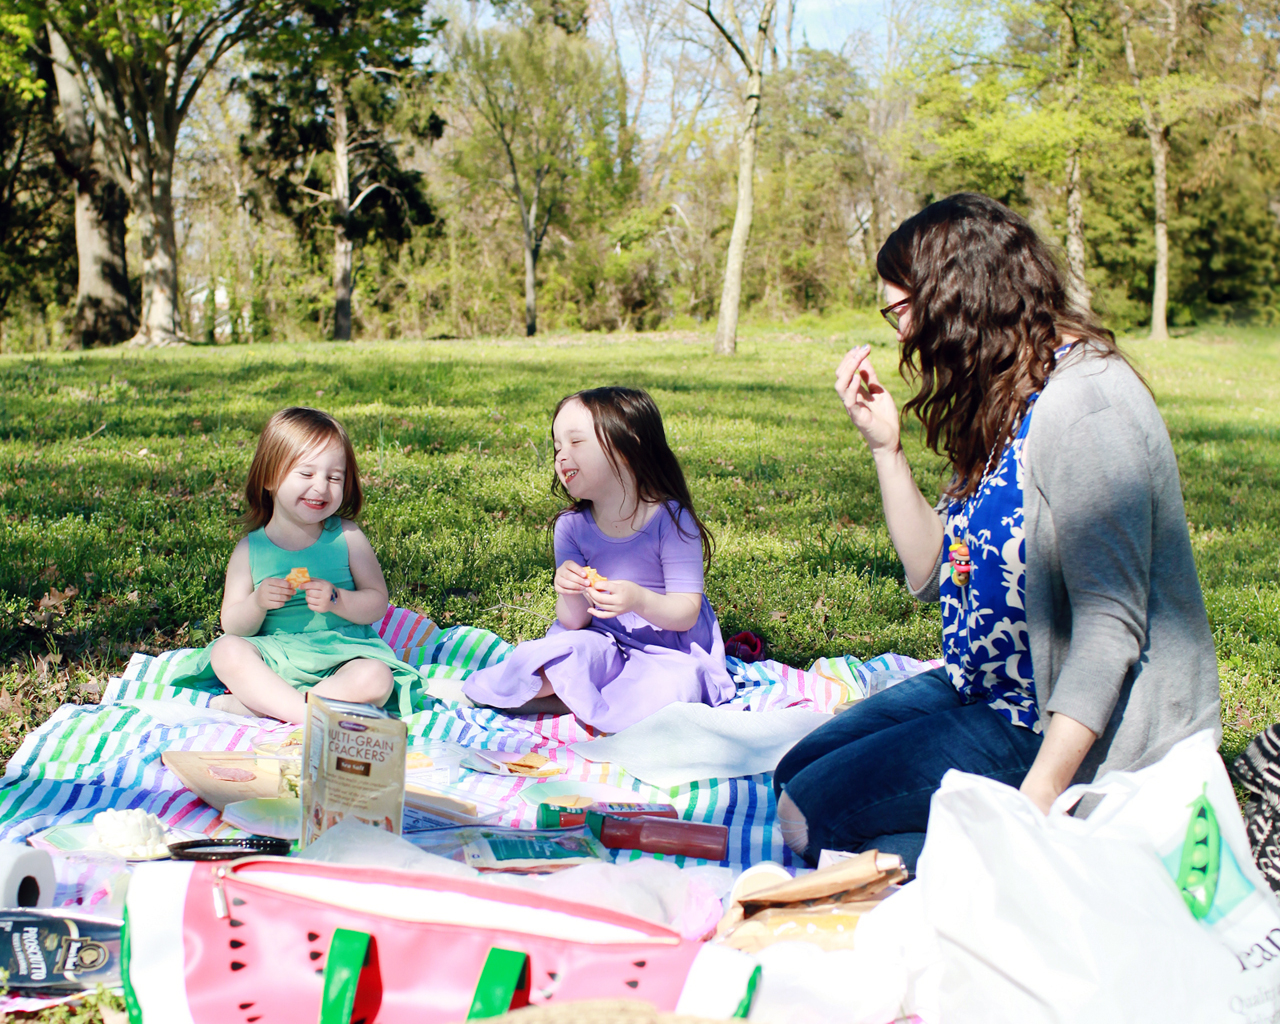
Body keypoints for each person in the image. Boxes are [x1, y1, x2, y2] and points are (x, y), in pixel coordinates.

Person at [773, 193, 1220, 871]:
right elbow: (932, 574)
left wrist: (1036, 802)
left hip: (1052, 721)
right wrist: (885, 448)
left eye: (902, 311)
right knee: (797, 773)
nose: (900, 334)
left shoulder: (1087, 403)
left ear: (959, 296)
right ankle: (962, 851)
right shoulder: (1005, 392)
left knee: (809, 818)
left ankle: (1054, 859)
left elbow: (1110, 624)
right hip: (984, 685)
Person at [462, 386, 734, 732]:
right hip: (602, 641)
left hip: (667, 650)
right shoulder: (571, 527)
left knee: (675, 686)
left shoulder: (671, 518)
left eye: (576, 443)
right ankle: (583, 697)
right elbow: (573, 622)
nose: (561, 456)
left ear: (627, 446)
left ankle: (579, 702)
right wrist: (567, 588)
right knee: (545, 658)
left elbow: (685, 613)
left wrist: (637, 599)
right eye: (557, 447)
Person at [161, 406, 423, 722]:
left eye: (334, 477)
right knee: (226, 650)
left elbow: (377, 603)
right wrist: (257, 603)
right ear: (270, 477)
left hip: (341, 657)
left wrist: (338, 599)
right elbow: (233, 624)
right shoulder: (249, 550)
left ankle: (273, 710)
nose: (321, 486)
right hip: (273, 660)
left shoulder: (348, 537)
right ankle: (302, 712)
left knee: (377, 677)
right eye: (307, 473)